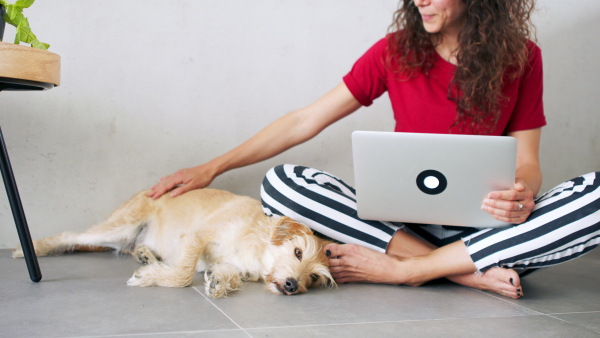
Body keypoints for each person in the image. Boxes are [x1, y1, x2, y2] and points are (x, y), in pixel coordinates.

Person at [148, 0, 600, 299]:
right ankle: (452, 269)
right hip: (401, 226)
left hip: (486, 233)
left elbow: (528, 161)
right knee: (282, 184)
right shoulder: (395, 51)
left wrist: (522, 191)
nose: (420, 0)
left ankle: (408, 269)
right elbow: (306, 119)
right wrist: (212, 167)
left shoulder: (523, 57)